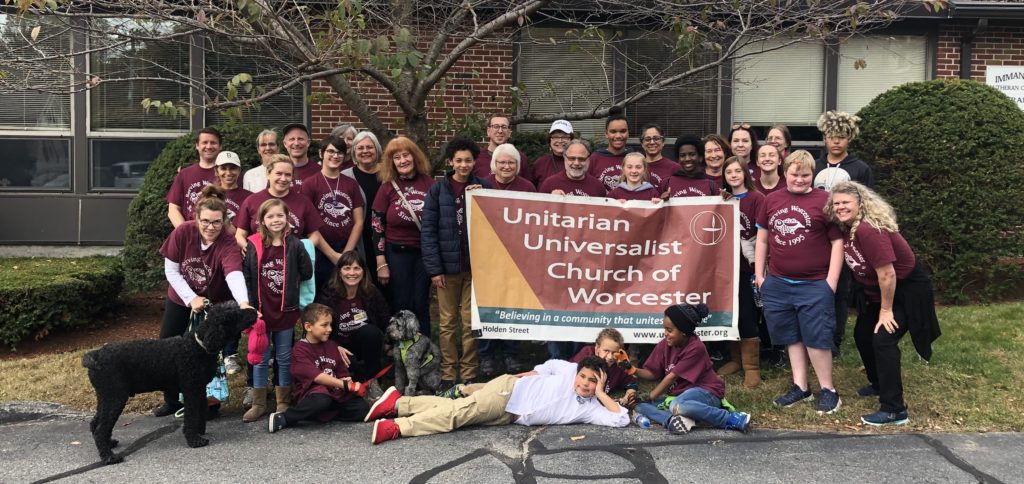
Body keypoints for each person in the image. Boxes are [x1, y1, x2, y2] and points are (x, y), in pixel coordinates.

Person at [826, 181, 940, 426]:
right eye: (836, 203)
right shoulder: (846, 228)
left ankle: (894, 409)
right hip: (877, 292)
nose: (840, 207)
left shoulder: (868, 229)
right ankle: (878, 383)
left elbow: (888, 274)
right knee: (862, 334)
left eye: (846, 202)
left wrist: (886, 310)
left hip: (905, 291)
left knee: (883, 339)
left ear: (860, 204)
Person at [754, 150, 845, 415]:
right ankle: (800, 386)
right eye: (795, 174)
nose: (800, 179)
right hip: (779, 282)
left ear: (813, 175)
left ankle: (828, 390)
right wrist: (761, 276)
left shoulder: (824, 201)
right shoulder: (771, 200)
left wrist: (831, 281)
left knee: (817, 337)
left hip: (815, 282)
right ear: (785, 173)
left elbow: (837, 242)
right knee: (790, 336)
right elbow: (762, 239)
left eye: (806, 175)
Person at [365, 356, 630, 445]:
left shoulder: (592, 409)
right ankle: (399, 427)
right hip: (510, 392)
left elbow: (620, 418)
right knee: (459, 415)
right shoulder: (569, 369)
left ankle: (398, 404)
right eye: (583, 376)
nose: (584, 383)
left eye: (592, 381)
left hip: (511, 415)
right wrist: (536, 372)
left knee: (456, 407)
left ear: (600, 384)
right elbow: (549, 364)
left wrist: (601, 394)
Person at [155, 185, 252, 417]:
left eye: (217, 222)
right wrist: (191, 297)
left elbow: (233, 275)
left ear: (224, 221)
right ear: (196, 218)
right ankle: (171, 399)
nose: (210, 227)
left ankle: (208, 401)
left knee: (207, 353)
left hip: (212, 304)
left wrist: (243, 303)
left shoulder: (228, 243)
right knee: (168, 346)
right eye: (205, 221)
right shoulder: (183, 232)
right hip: (180, 298)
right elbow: (171, 270)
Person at [421, 137, 491, 390]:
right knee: (448, 322)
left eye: (468, 160)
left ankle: (470, 372)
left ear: (475, 162)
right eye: (459, 160)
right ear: (450, 162)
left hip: (475, 268)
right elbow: (428, 231)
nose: (464, 165)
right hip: (446, 270)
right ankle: (449, 372)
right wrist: (434, 269)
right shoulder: (438, 190)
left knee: (471, 321)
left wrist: (482, 198)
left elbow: (494, 227)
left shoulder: (483, 187)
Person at [242, 198, 314, 423]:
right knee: (260, 357)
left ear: (287, 218)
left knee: (283, 357)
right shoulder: (253, 244)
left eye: (280, 216)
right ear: (262, 220)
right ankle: (259, 403)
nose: (275, 220)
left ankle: (283, 400)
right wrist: (251, 308)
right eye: (270, 216)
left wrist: (291, 282)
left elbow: (307, 272)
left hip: (286, 310)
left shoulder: (294, 244)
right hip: (261, 313)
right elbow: (246, 277)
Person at [633, 304, 751, 434]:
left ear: (683, 332)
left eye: (669, 330)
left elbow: (671, 378)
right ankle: (673, 421)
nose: (665, 334)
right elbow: (652, 373)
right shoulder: (665, 344)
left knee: (678, 405)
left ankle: (731, 418)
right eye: (664, 329)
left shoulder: (696, 348)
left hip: (707, 393)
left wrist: (650, 396)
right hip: (680, 397)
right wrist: (631, 369)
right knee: (640, 407)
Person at [814, 110, 874, 358]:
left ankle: (834, 338)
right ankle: (816, 333)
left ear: (849, 138)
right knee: (818, 288)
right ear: (825, 138)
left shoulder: (860, 169)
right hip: (817, 237)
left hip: (847, 238)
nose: (836, 141)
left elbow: (868, 203)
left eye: (841, 136)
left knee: (840, 289)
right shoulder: (814, 166)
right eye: (831, 136)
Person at [268, 303, 370, 432]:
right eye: (324, 325)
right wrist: (345, 385)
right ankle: (285, 418)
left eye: (330, 324)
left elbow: (341, 372)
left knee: (361, 408)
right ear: (308, 327)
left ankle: (321, 415)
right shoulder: (299, 350)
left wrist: (349, 381)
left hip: (334, 394)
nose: (329, 329)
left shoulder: (332, 346)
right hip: (313, 394)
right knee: (321, 400)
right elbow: (317, 376)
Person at [372, 136, 436, 336]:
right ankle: (402, 351)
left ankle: (424, 349)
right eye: (397, 157)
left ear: (415, 157)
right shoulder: (387, 187)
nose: (402, 161)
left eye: (406, 155)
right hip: (396, 252)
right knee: (401, 302)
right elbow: (376, 225)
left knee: (420, 302)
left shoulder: (431, 184)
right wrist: (381, 261)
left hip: (424, 254)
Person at [234, 155, 341, 266]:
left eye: (288, 175)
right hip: (260, 264)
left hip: (293, 264)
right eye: (279, 173)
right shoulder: (252, 201)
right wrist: (249, 249)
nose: (283, 179)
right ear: (268, 174)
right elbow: (240, 235)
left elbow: (315, 236)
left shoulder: (302, 201)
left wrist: (299, 249)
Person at [314, 251, 389, 398]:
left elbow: (385, 318)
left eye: (356, 268)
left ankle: (373, 383)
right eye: (347, 268)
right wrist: (333, 346)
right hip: (338, 347)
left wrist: (390, 344)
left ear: (363, 271)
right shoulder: (328, 295)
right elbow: (317, 328)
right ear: (339, 272)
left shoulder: (371, 292)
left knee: (371, 332)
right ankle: (352, 387)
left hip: (363, 346)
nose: (352, 273)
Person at [719, 156, 765, 388]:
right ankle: (735, 359)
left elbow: (761, 235)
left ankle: (752, 367)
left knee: (747, 314)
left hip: (748, 267)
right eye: (729, 172)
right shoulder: (722, 199)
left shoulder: (757, 198)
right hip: (726, 269)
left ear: (745, 173)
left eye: (738, 171)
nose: (734, 175)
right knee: (731, 314)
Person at [301, 135, 364, 291]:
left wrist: (347, 253)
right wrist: (331, 255)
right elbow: (308, 224)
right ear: (321, 154)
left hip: (347, 248)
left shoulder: (351, 184)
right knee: (322, 294)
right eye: (330, 151)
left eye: (339, 152)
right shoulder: (310, 184)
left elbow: (359, 221)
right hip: (321, 251)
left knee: (347, 294)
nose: (335, 156)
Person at [343, 131, 385, 284]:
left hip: (386, 239)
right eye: (360, 148)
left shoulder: (389, 174)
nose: (365, 151)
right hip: (359, 239)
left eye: (370, 147)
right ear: (354, 151)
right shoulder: (345, 177)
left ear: (377, 150)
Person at [167, 127, 222, 227]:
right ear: (197, 146)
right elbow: (173, 209)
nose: (209, 146)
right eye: (204, 142)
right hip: (190, 232)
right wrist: (185, 232)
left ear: (220, 146)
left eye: (213, 143)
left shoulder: (228, 175)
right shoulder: (184, 174)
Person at [569, 328, 638, 405]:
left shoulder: (619, 366)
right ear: (597, 348)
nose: (610, 357)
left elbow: (632, 384)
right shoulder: (586, 354)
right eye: (606, 351)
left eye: (614, 352)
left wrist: (627, 397)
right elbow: (569, 375)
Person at [538, 140, 606, 197]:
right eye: (572, 158)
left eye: (581, 159)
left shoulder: (598, 187)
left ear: (589, 159)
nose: (576, 163)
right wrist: (550, 200)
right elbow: (539, 210)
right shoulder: (549, 184)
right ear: (564, 157)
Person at [588, 107, 632, 191]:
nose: (618, 136)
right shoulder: (595, 158)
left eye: (623, 131)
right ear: (606, 134)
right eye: (613, 132)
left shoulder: (635, 158)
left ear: (628, 133)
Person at [213, 151, 252, 228]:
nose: (228, 173)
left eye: (233, 168)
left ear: (239, 170)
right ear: (216, 171)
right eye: (223, 168)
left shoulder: (250, 197)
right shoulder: (209, 195)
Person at [528, 120, 573, 187]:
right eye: (555, 137)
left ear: (571, 140)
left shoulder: (579, 162)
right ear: (550, 140)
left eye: (564, 137)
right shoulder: (540, 163)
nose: (560, 141)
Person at [639, 124, 677, 190]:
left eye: (656, 138)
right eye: (647, 139)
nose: (652, 142)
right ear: (642, 143)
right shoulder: (635, 167)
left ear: (663, 142)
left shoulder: (675, 168)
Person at [282, 123, 320, 188]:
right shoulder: (278, 171)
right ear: (285, 144)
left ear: (308, 143)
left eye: (300, 139)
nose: (296, 143)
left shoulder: (319, 171)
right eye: (292, 139)